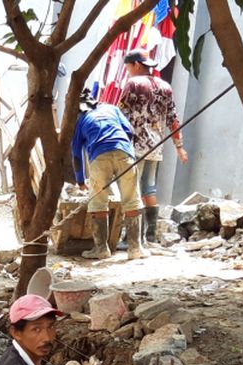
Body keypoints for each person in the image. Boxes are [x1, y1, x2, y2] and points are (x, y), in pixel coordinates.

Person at [119, 49, 188, 244]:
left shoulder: (133, 84)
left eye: (128, 67)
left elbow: (121, 114)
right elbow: (172, 119)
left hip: (134, 145)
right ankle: (150, 235)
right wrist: (179, 146)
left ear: (136, 65)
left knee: (133, 190)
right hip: (156, 146)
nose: (128, 72)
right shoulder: (165, 86)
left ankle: (132, 237)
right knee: (149, 189)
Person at [71, 94, 143, 260]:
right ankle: (135, 249)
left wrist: (80, 180)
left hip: (99, 156)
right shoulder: (112, 109)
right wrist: (127, 151)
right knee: (131, 198)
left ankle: (101, 249)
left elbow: (76, 154)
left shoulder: (81, 121)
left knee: (98, 201)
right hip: (124, 152)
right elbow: (129, 131)